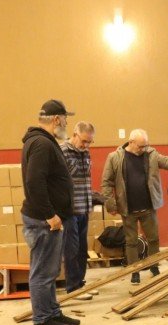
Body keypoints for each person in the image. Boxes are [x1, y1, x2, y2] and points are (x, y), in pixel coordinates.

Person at [101, 129, 168, 284]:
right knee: (131, 242)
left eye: (146, 145)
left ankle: (153, 266)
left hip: (148, 207)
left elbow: (166, 161)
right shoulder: (115, 157)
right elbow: (106, 182)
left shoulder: (150, 154)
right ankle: (134, 272)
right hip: (127, 208)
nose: (144, 149)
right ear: (130, 142)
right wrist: (110, 205)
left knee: (153, 239)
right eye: (141, 146)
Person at [20, 99, 81, 325]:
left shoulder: (42, 141)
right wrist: (50, 215)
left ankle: (53, 313)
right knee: (43, 272)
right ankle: (43, 321)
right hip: (44, 220)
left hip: (48, 219)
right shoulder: (42, 144)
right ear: (56, 119)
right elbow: (34, 183)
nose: (67, 122)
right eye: (66, 118)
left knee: (50, 270)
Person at [60, 121, 96, 300]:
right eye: (84, 141)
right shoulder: (62, 151)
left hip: (84, 207)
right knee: (71, 249)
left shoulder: (85, 153)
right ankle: (72, 287)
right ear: (74, 134)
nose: (86, 145)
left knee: (82, 248)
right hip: (70, 210)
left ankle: (80, 283)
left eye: (90, 142)